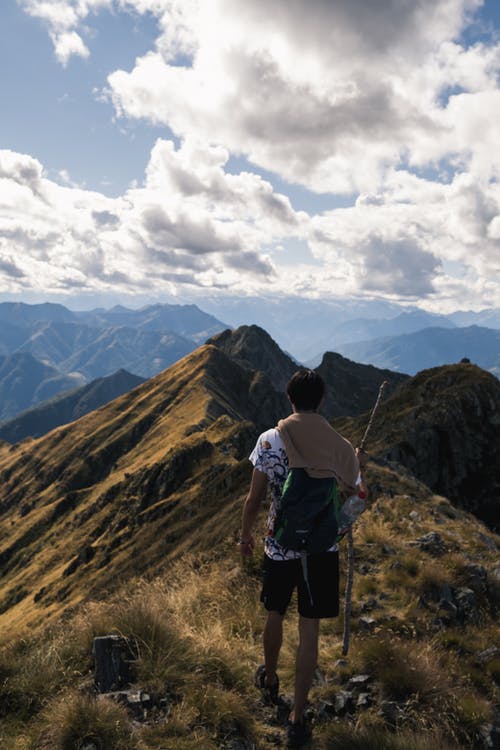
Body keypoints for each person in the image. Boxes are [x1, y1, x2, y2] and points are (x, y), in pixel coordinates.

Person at [239, 369, 367, 748]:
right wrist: (356, 464)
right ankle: (297, 715)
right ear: (322, 400)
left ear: (289, 399)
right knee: (309, 629)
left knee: (274, 613)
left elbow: (254, 498)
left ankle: (271, 677)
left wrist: (245, 536)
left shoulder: (269, 440)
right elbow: (358, 496)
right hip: (321, 551)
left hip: (279, 546)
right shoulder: (338, 444)